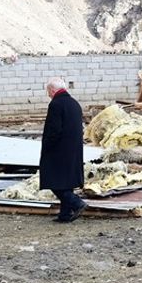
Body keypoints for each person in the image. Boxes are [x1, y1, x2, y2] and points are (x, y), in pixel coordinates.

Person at [40, 77, 87, 223]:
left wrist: (47, 145)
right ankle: (65, 214)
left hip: (59, 150)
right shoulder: (74, 103)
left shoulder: (56, 104)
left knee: (54, 181)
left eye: (48, 91)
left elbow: (54, 130)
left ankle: (77, 203)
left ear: (53, 90)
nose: (48, 94)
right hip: (73, 149)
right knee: (66, 182)